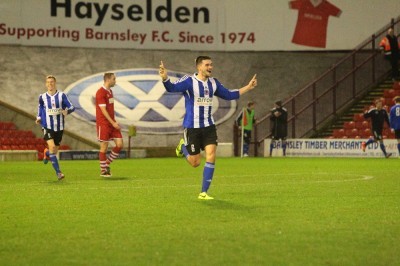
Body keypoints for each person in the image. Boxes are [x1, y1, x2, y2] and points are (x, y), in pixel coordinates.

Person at [159, 56, 257, 200]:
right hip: (192, 127)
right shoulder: (189, 81)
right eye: (207, 65)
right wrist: (165, 78)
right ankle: (183, 148)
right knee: (195, 163)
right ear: (199, 67)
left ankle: (203, 192)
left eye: (211, 65)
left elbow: (229, 95)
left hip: (209, 126)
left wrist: (248, 87)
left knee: (211, 156)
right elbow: (172, 88)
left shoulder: (213, 83)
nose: (210, 67)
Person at [35, 75, 75, 180]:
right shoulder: (42, 97)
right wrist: (39, 117)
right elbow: (40, 108)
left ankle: (46, 152)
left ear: (55, 83)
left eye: (52, 82)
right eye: (48, 82)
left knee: (53, 151)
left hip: (59, 127)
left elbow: (72, 106)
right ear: (46, 84)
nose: (50, 84)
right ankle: (59, 173)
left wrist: (67, 111)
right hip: (47, 126)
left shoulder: (62, 95)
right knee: (52, 147)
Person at [95, 72, 124, 177]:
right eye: (114, 79)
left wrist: (114, 122)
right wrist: (113, 122)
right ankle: (103, 171)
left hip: (112, 123)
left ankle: (106, 163)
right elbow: (103, 110)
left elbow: (110, 109)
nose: (115, 81)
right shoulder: (100, 92)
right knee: (104, 147)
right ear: (108, 80)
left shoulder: (110, 91)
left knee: (120, 145)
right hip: (103, 124)